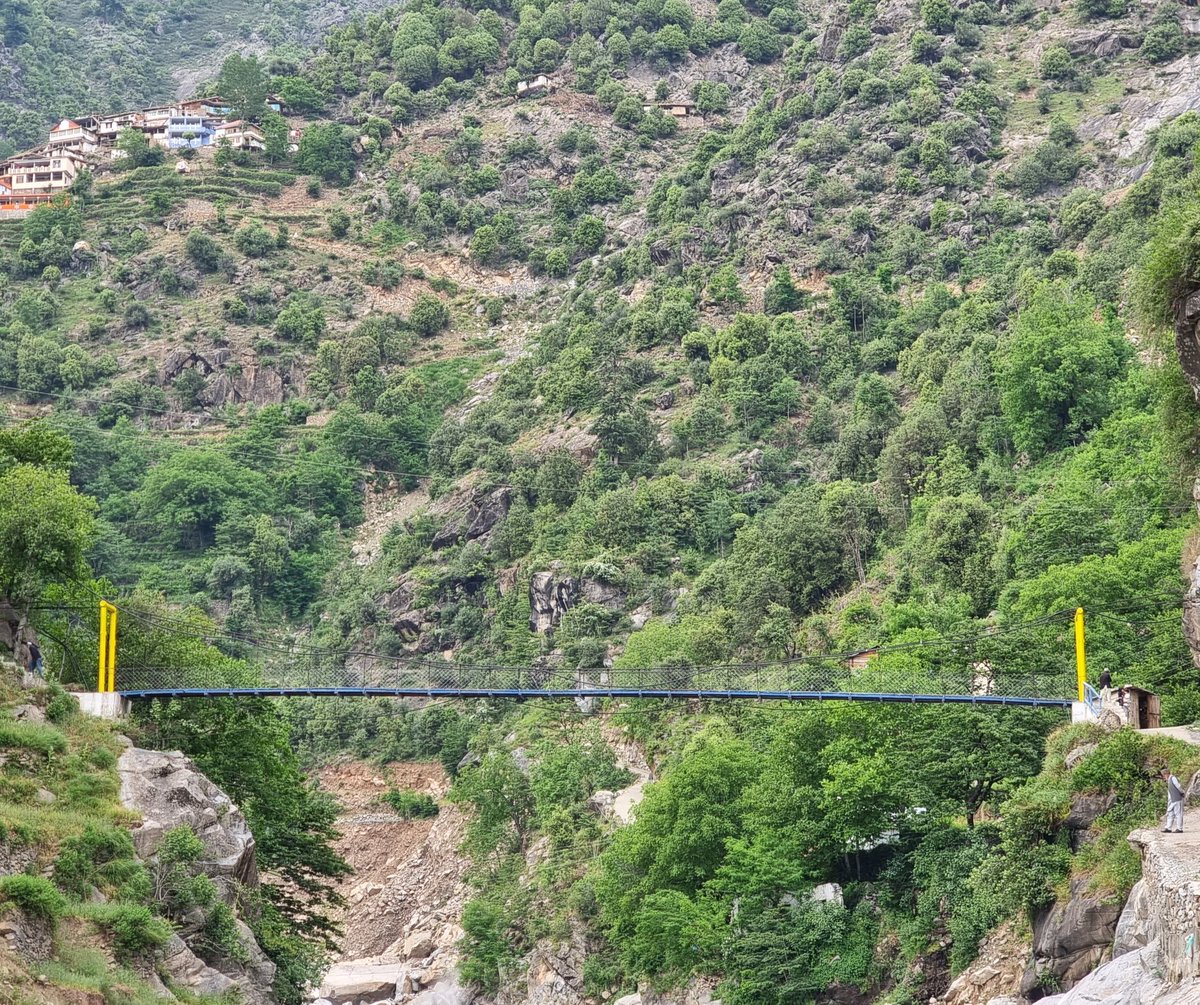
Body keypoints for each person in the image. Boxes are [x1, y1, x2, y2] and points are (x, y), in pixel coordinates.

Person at [1162, 768, 1185, 834]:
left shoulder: (1173, 778)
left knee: (1178, 814)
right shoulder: (1169, 780)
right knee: (1170, 814)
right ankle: (1168, 828)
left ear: (1166, 774)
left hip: (1177, 799)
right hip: (1172, 800)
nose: (1163, 777)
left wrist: (1182, 792)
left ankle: (1179, 828)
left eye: (1164, 775)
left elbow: (1178, 786)